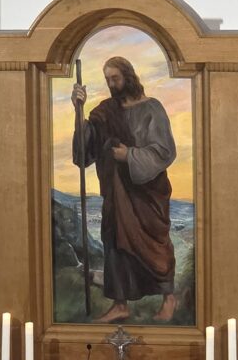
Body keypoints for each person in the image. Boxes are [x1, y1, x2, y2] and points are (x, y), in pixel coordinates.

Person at [72, 56, 177, 323]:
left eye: (115, 78)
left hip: (147, 193)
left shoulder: (152, 108)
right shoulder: (105, 111)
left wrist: (129, 155)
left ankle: (168, 298)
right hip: (115, 192)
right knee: (114, 242)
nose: (111, 84)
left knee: (157, 244)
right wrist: (78, 111)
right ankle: (120, 304)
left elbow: (164, 151)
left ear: (128, 76)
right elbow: (85, 152)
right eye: (107, 79)